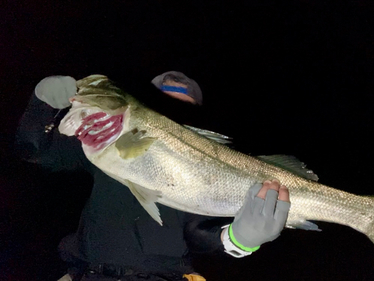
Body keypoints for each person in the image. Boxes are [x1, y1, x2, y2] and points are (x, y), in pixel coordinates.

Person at [15, 72, 291, 281]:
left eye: (183, 109)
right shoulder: (105, 145)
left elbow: (199, 234)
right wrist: (41, 106)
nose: (171, 116)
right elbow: (35, 151)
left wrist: (239, 240)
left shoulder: (204, 172)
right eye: (162, 106)